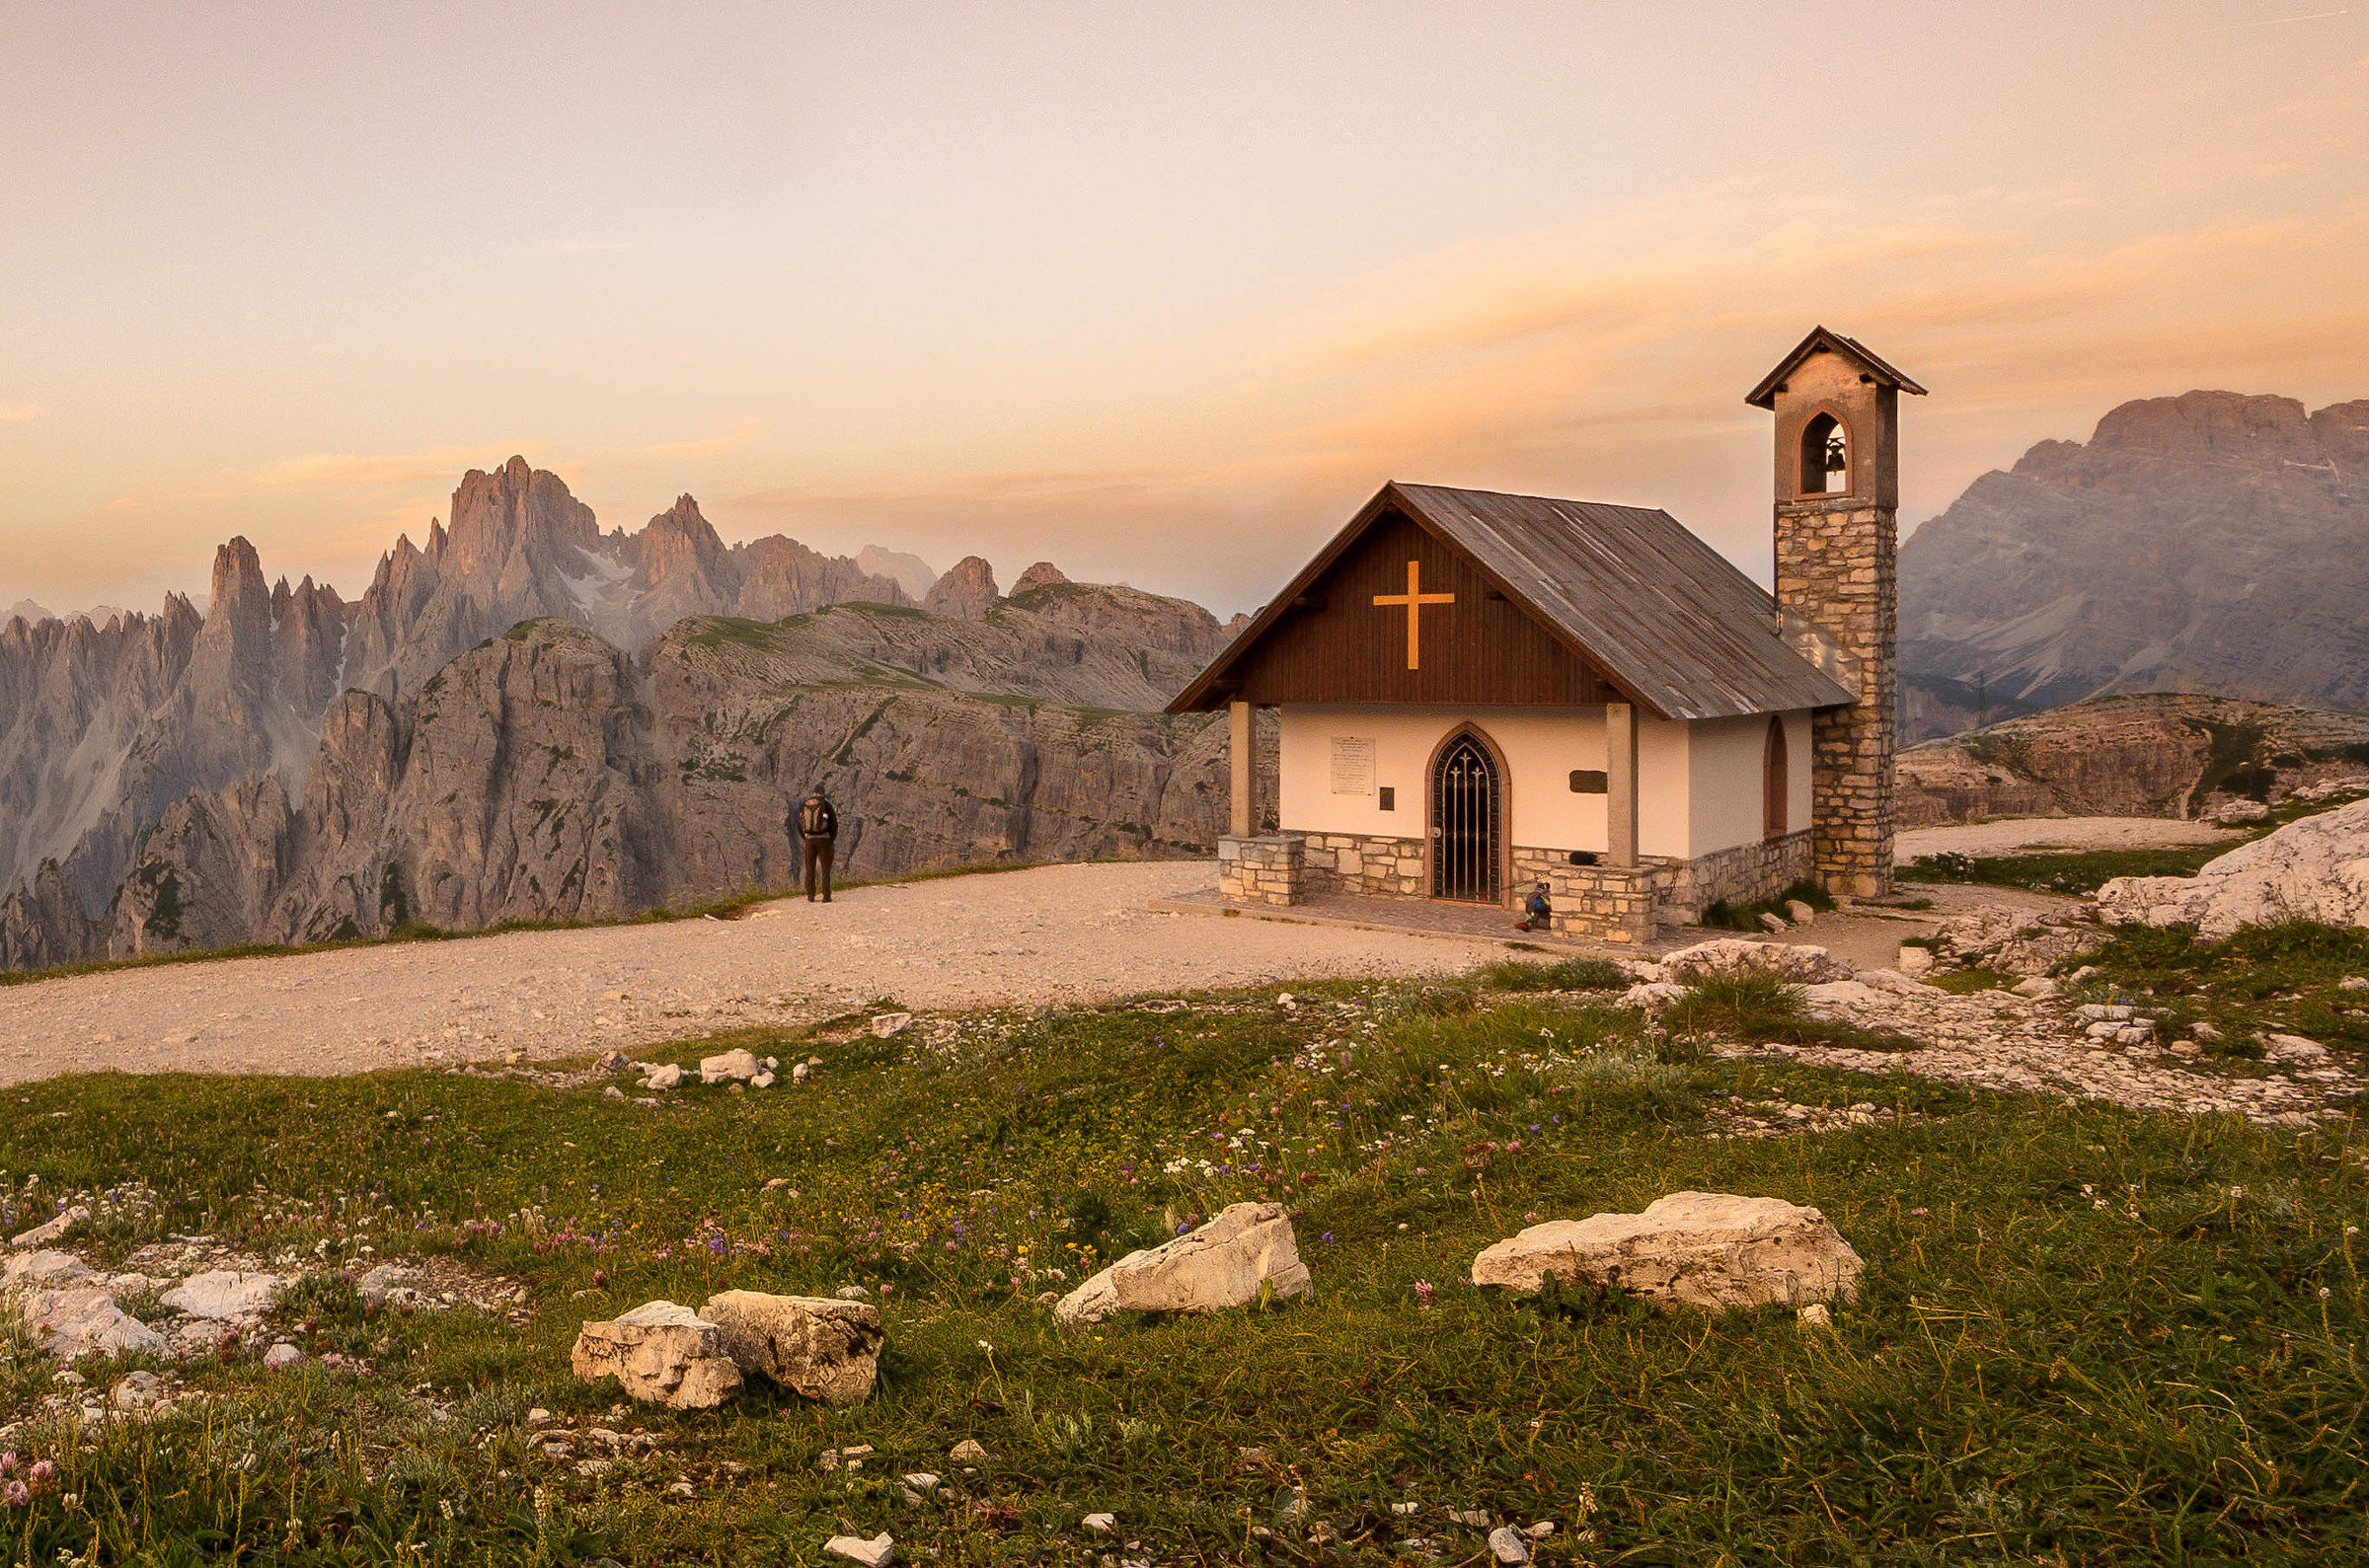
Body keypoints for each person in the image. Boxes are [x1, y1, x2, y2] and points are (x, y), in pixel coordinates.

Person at [794, 786, 839, 902]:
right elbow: (833, 824)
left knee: (810, 867)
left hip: (809, 840)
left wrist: (805, 837)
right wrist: (831, 839)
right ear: (823, 793)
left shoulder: (806, 804)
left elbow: (800, 824)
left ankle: (810, 895)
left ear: (814, 793)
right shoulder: (826, 805)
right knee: (825, 868)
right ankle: (826, 896)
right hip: (825, 840)